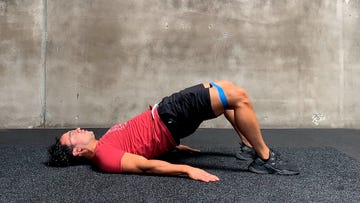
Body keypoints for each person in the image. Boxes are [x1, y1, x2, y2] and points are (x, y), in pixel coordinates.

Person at [47, 80, 299, 182]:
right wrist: (187, 169)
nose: (77, 129)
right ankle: (265, 159)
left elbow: (140, 143)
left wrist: (173, 148)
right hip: (172, 117)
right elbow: (145, 165)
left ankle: (248, 146)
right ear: (78, 151)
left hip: (167, 112)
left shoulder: (106, 142)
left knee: (221, 87)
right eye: (72, 134)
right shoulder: (104, 158)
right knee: (238, 98)